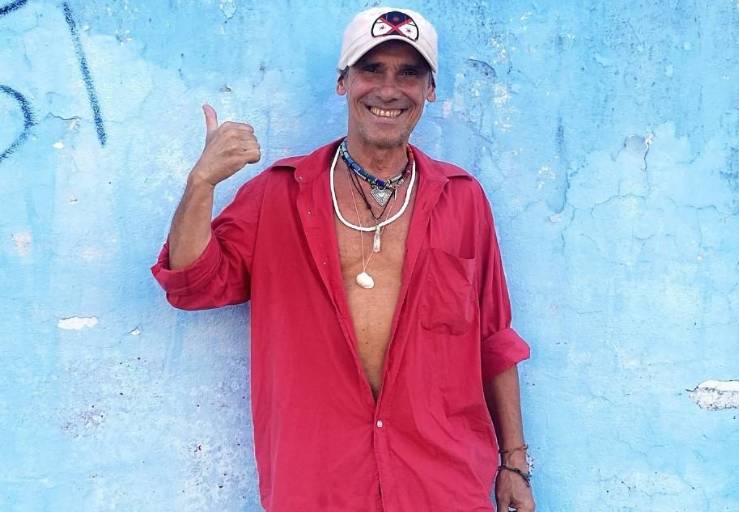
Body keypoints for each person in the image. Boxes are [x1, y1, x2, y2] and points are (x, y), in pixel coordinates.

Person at [151, 7, 535, 512]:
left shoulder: (462, 200)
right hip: (319, 483)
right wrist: (201, 182)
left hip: (441, 482)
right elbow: (192, 284)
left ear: (430, 90)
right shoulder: (279, 195)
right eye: (371, 69)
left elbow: (494, 340)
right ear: (343, 82)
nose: (388, 90)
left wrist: (514, 463)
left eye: (408, 73)